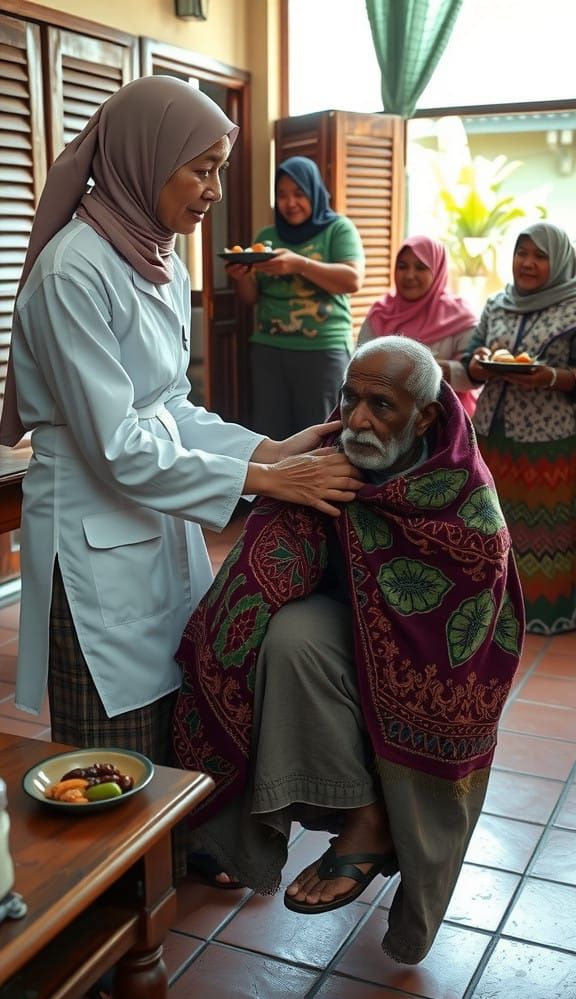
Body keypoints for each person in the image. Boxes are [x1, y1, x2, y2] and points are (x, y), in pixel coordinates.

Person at [0, 76, 364, 769]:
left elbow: (168, 403)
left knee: (179, 713)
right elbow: (118, 446)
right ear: (145, 158)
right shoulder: (72, 274)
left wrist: (270, 450)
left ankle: (172, 863)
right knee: (112, 751)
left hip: (153, 527)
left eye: (219, 171)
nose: (215, 191)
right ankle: (115, 881)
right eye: (202, 170)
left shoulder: (151, 254)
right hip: (93, 543)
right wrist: (265, 480)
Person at [173, 337, 525, 965]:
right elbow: (267, 563)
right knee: (286, 637)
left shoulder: (462, 492)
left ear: (423, 417)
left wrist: (386, 650)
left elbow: (472, 625)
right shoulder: (333, 462)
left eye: (381, 406)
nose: (358, 420)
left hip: (435, 673)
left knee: (359, 671)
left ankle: (397, 844)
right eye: (351, 399)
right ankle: (363, 816)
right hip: (345, 642)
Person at [463, 221, 576, 635]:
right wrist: (476, 362)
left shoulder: (573, 305)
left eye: (540, 256)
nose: (527, 263)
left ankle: (545, 611)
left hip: (549, 439)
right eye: (521, 253)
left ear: (559, 260)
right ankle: (495, 608)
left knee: (544, 527)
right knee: (493, 522)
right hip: (492, 433)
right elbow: (472, 357)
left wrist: (549, 377)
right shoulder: (497, 303)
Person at [225, 155, 365, 437]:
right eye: (282, 195)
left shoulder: (338, 229)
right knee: (271, 432)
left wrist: (300, 264)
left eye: (299, 193)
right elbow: (251, 298)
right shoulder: (267, 235)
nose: (290, 203)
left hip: (322, 350)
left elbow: (352, 280)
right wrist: (242, 277)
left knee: (322, 434)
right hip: (269, 348)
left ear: (314, 192)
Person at [358, 235, 479, 416]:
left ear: (437, 270)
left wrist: (410, 368)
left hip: (446, 418)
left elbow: (470, 376)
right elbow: (360, 365)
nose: (409, 275)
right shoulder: (381, 313)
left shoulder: (459, 315)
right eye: (402, 267)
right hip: (383, 417)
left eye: (421, 267)